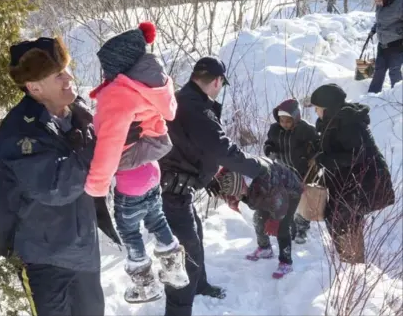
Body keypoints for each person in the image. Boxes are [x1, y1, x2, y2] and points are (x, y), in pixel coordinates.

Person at [0, 36, 137, 316]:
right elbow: (55, 186)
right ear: (34, 87)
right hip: (43, 260)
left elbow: (100, 166)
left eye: (67, 69)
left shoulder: (78, 114)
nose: (69, 77)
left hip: (83, 253)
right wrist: (104, 144)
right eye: (58, 74)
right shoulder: (19, 132)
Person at [84, 22, 189, 304]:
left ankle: (144, 284)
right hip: (152, 169)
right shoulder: (151, 84)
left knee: (129, 229)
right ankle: (174, 269)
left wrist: (96, 188)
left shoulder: (117, 94)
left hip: (130, 175)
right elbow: (168, 114)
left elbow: (109, 145)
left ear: (116, 66)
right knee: (156, 219)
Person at [158, 56, 263, 316]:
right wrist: (259, 169)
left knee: (196, 238)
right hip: (173, 192)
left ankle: (199, 286)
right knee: (184, 258)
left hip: (181, 189)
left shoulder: (188, 100)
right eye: (221, 84)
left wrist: (210, 178)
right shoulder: (195, 107)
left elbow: (192, 147)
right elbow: (221, 148)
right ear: (217, 81)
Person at [310, 84, 395, 264]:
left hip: (364, 180)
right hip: (347, 180)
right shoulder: (332, 122)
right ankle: (349, 261)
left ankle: (353, 263)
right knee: (340, 219)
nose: (315, 111)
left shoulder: (348, 123)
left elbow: (357, 155)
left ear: (327, 107)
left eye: (317, 108)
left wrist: (326, 159)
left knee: (342, 220)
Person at [215, 157, 304, 278]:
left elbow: (280, 203)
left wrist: (274, 220)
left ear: (243, 185)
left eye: (239, 193)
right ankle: (265, 248)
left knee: (282, 226)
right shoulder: (238, 171)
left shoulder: (265, 182)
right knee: (259, 219)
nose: (239, 196)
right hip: (270, 192)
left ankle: (286, 262)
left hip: (290, 192)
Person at [263, 98, 318, 244]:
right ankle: (290, 224)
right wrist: (269, 150)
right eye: (282, 120)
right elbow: (268, 143)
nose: (284, 124)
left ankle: (302, 229)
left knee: (304, 201)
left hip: (304, 171)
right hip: (284, 171)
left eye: (288, 121)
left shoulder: (306, 130)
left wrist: (314, 156)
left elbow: (319, 145)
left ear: (296, 117)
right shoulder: (275, 130)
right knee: (288, 199)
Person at [368, 0, 403, 94]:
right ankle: (371, 95)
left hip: (397, 43)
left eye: (378, 1)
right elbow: (380, 20)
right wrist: (374, 30)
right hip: (382, 43)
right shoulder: (382, 2)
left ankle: (397, 97)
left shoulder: (400, 4)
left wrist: (399, 33)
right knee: (379, 70)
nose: (377, 4)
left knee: (394, 71)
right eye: (376, 1)